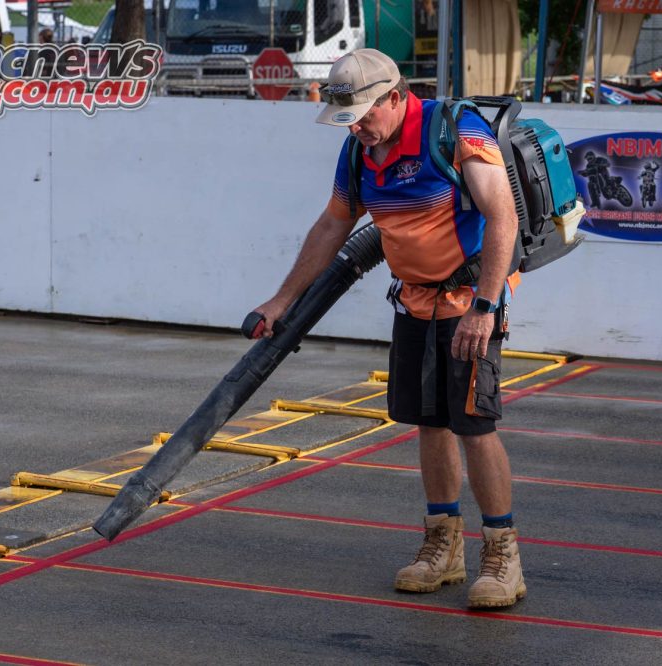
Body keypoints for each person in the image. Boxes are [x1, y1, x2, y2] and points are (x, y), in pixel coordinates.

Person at [252, 48, 526, 609]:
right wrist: (282, 299)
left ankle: (503, 554)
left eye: (362, 115)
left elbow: (503, 217)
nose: (356, 127)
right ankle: (442, 545)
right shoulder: (359, 152)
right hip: (415, 302)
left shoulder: (455, 130)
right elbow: (333, 225)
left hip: (470, 299)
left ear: (396, 98)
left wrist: (486, 305)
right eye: (347, 118)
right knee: (427, 422)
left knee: (473, 423)